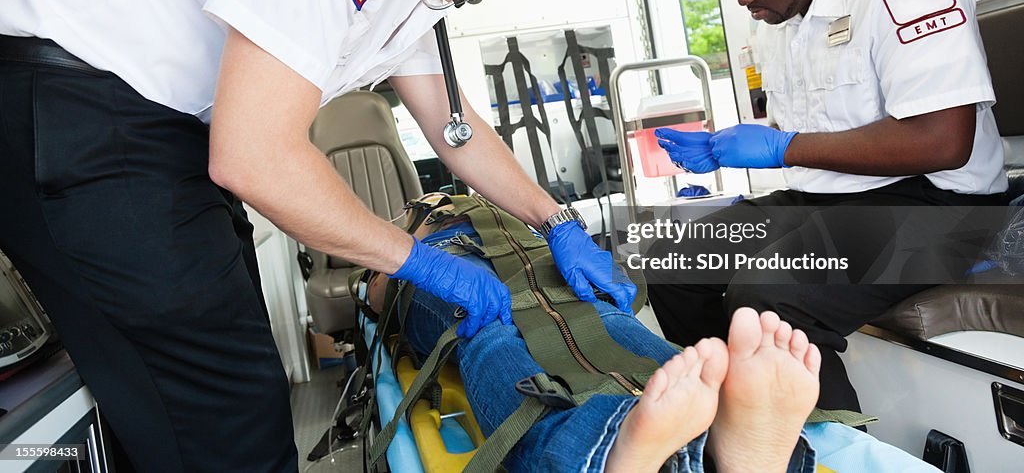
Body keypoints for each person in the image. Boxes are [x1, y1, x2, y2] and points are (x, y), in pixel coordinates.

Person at [0, 0, 633, 472]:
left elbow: (455, 127)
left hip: (148, 126)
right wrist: (418, 260)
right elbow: (253, 155)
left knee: (221, 398)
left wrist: (556, 221)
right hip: (72, 102)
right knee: (231, 413)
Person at [650, 0, 1007, 413]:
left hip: (937, 206)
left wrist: (781, 148)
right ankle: (727, 415)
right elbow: (823, 135)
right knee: (674, 263)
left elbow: (943, 141)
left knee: (767, 298)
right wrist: (737, 145)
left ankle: (829, 448)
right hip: (831, 198)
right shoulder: (781, 20)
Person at [366, 210, 943, 472]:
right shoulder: (404, 228)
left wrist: (563, 235)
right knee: (494, 335)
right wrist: (413, 258)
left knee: (603, 325)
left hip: (543, 264)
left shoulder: (516, 211)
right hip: (443, 272)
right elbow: (378, 290)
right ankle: (680, 439)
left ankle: (701, 436)